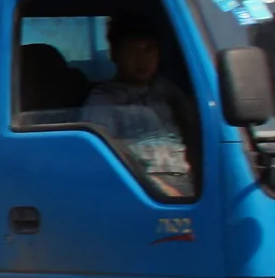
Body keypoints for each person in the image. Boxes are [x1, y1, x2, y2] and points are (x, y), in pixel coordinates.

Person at [81, 18, 195, 198]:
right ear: (114, 54)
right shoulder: (104, 99)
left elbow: (194, 133)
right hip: (145, 190)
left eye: (148, 50)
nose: (141, 60)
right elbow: (100, 157)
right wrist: (159, 189)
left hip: (188, 181)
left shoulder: (167, 90)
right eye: (130, 51)